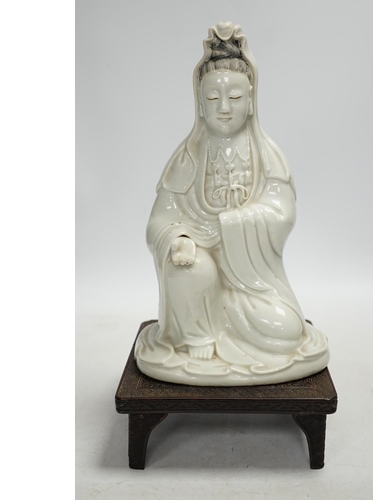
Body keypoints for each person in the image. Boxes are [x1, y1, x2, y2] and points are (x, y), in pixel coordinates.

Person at [135, 22, 329, 385]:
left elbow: (282, 214)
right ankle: (197, 336)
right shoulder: (189, 157)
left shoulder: (267, 155)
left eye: (235, 97)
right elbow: (159, 221)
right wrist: (180, 239)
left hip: (251, 282)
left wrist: (230, 224)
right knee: (190, 269)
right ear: (200, 103)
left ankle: (225, 327)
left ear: (251, 101)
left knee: (287, 330)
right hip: (200, 281)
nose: (223, 108)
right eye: (213, 99)